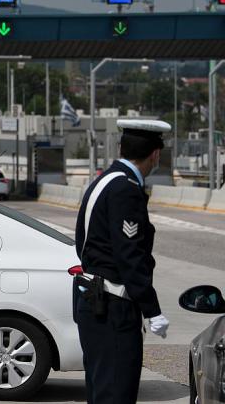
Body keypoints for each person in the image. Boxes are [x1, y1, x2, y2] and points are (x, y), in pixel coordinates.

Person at [73, 119, 171, 404]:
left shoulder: (103, 181)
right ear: (155, 154)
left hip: (95, 301)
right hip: (113, 309)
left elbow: (84, 242)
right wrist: (151, 309)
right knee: (117, 392)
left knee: (102, 388)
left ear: (121, 147)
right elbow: (130, 255)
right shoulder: (126, 190)